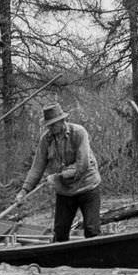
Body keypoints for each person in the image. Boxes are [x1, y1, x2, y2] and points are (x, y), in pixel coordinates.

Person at [15, 103, 102, 241]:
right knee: (60, 232)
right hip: (65, 190)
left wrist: (59, 176)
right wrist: (24, 191)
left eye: (54, 124)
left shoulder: (78, 132)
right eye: (49, 125)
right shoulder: (46, 139)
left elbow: (83, 164)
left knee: (91, 230)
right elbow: (37, 167)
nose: (51, 128)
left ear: (63, 121)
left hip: (87, 186)